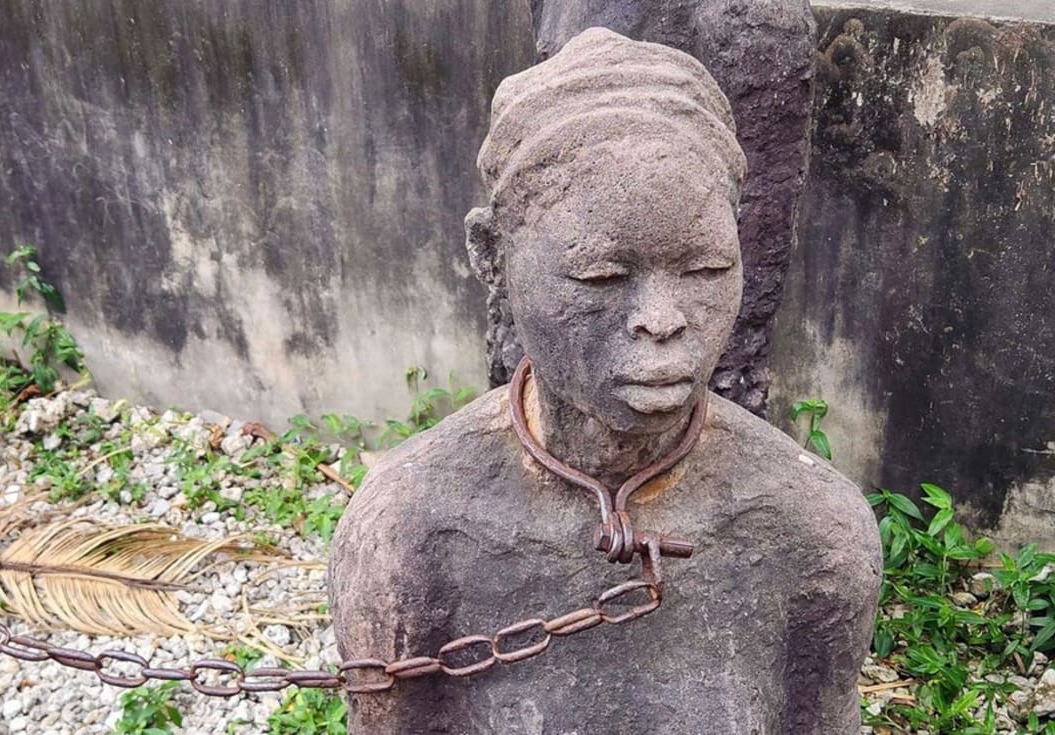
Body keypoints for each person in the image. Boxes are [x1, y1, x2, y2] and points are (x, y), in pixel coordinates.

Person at [330, 27, 881, 734]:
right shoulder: (408, 536)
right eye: (601, 275)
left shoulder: (816, 532)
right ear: (492, 258)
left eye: (707, 270)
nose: (662, 319)